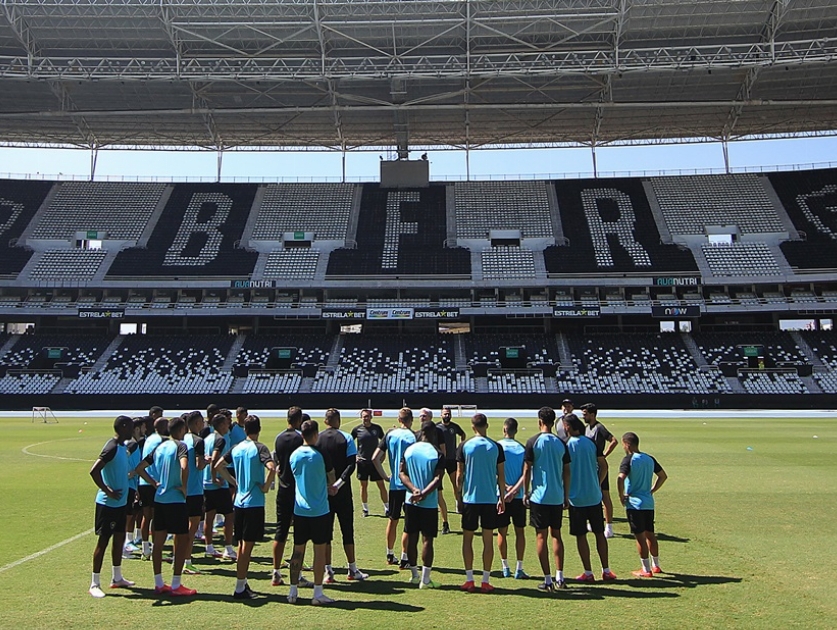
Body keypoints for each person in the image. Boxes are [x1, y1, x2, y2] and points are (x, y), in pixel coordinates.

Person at [215, 415, 277, 599]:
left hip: (239, 503)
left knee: (242, 545)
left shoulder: (236, 447)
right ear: (259, 429)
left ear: (245, 430)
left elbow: (218, 465)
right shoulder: (260, 448)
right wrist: (266, 486)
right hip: (254, 503)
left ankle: (242, 583)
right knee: (246, 548)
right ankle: (240, 586)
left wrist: (233, 482)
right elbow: (272, 468)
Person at [135, 417, 196, 597]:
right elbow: (184, 466)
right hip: (175, 500)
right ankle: (176, 584)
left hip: (159, 499)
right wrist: (184, 487)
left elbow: (140, 468)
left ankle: (159, 583)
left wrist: (155, 483)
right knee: (181, 539)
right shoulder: (181, 446)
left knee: (158, 543)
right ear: (180, 430)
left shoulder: (159, 447)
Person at [517, 406, 571, 592]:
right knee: (557, 535)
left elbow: (527, 469)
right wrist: (565, 495)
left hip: (539, 496)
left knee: (541, 536)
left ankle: (547, 580)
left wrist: (525, 493)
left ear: (540, 422)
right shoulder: (561, 442)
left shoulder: (533, 441)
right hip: (556, 496)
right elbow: (567, 471)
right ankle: (560, 577)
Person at [288, 419, 339, 606]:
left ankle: (293, 590)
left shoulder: (294, 455)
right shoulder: (320, 455)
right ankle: (317, 593)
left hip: (300, 509)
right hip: (319, 510)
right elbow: (332, 479)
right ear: (316, 434)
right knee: (319, 551)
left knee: (297, 550)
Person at [316, 408, 369, 582]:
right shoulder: (346, 438)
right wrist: (338, 483)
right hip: (342, 491)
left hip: (324, 492)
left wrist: (327, 484)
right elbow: (351, 465)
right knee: (347, 530)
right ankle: (352, 569)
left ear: (325, 421)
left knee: (326, 532)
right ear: (338, 420)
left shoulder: (318, 439)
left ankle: (328, 571)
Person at [455, 413, 505, 593]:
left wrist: (458, 496)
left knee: (467, 539)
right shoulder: (496, 446)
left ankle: (469, 579)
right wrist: (501, 497)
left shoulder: (464, 446)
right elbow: (501, 476)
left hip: (470, 499)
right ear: (487, 425)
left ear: (472, 426)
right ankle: (485, 580)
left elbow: (459, 476)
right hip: (490, 499)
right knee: (487, 541)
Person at [563, 414, 616, 583]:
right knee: (600, 534)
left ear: (569, 427)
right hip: (594, 496)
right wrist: (597, 482)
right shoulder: (591, 443)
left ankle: (588, 572)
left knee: (581, 536)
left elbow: (564, 471)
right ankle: (606, 570)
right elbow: (604, 466)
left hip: (576, 498)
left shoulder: (567, 446)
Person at [88, 415, 136, 598]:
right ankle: (94, 583)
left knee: (119, 539)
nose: (133, 430)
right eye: (130, 427)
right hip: (107, 505)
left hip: (121, 504)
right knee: (103, 541)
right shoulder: (112, 447)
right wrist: (107, 490)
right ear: (123, 427)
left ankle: (117, 578)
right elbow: (94, 471)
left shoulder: (123, 448)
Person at [399, 419, 445, 589]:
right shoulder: (437, 453)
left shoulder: (409, 450)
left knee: (411, 537)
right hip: (429, 503)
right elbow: (438, 478)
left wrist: (414, 490)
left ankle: (414, 576)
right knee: (427, 540)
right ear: (433, 433)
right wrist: (424, 493)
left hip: (410, 500)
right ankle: (425, 580)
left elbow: (401, 474)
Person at [617, 432, 668, 577]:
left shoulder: (628, 460)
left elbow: (620, 479)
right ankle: (656, 565)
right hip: (648, 502)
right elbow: (663, 476)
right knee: (650, 535)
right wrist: (652, 490)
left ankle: (645, 569)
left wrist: (621, 496)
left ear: (627, 444)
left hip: (634, 504)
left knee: (640, 537)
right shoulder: (649, 459)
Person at [372, 407, 416, 568]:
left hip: (394, 484)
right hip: (410, 485)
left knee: (393, 520)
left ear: (399, 420)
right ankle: (405, 557)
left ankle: (390, 554)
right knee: (409, 523)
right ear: (411, 420)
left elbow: (375, 458)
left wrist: (385, 476)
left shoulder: (390, 435)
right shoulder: (414, 436)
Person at [271, 406, 305, 587]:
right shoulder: (300, 439)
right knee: (299, 535)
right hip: (297, 490)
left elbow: (277, 461)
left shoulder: (279, 438)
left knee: (280, 531)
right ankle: (297, 574)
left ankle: (276, 572)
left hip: (283, 489)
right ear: (299, 420)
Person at [202, 413, 237, 561]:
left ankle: (209, 547)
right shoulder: (220, 440)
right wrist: (215, 477)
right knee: (229, 516)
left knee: (209, 516)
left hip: (206, 483)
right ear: (221, 425)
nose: (228, 426)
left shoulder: (208, 438)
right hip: (217, 485)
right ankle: (228, 548)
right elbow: (215, 458)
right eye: (226, 423)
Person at [581, 403, 619, 538]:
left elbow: (614, 440)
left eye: (585, 414)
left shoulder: (599, 428)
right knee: (590, 494)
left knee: (604, 495)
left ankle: (609, 527)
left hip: (599, 466)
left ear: (592, 414)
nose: (583, 416)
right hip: (589, 466)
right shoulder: (586, 428)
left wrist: (604, 455)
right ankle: (592, 521)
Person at [497, 417, 528, 579]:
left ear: (504, 430)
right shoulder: (522, 449)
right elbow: (525, 474)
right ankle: (519, 568)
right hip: (518, 497)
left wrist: (506, 488)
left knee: (502, 532)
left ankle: (505, 567)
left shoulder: (497, 447)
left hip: (501, 496)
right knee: (520, 532)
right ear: (516, 431)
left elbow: (494, 472)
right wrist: (515, 490)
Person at [137, 416, 169, 560]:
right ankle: (157, 550)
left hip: (144, 482)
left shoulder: (149, 438)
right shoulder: (161, 441)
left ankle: (145, 549)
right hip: (155, 482)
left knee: (146, 516)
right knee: (157, 518)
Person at [181, 411, 207, 575]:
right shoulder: (198, 441)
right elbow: (199, 465)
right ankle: (187, 561)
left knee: (181, 527)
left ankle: (179, 558)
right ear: (197, 423)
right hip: (195, 489)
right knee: (192, 528)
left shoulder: (181, 440)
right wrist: (207, 461)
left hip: (181, 489)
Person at [351, 408, 388, 518]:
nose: (366, 418)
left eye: (368, 416)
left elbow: (384, 442)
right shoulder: (357, 430)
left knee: (381, 485)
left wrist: (383, 455)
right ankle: (365, 509)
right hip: (362, 462)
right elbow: (349, 443)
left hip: (375, 463)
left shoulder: (377, 429)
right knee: (363, 486)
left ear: (371, 417)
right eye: (364, 416)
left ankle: (387, 508)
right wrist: (355, 456)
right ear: (361, 417)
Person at [436, 405, 466, 535]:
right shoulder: (437, 427)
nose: (447, 415)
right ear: (441, 414)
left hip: (452, 460)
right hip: (440, 461)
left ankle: (458, 503)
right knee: (438, 486)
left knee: (455, 483)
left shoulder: (455, 427)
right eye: (445, 413)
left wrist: (460, 446)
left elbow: (463, 434)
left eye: (448, 413)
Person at [123, 417, 146, 557]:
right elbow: (121, 460)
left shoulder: (135, 445)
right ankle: (123, 547)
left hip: (132, 486)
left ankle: (126, 543)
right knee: (126, 516)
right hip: (127, 485)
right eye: (143, 427)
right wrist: (128, 474)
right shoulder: (131, 445)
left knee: (130, 514)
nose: (145, 430)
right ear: (137, 429)